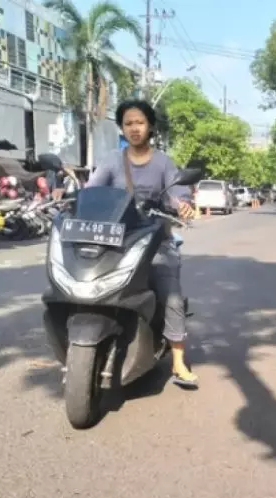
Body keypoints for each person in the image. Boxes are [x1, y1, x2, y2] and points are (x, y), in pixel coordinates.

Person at [85, 99, 198, 388]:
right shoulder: (112, 160)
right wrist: (75, 200)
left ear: (149, 127)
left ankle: (178, 362)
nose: (134, 128)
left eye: (139, 122)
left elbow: (178, 192)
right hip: (116, 240)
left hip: (156, 240)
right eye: (128, 123)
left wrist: (182, 204)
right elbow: (92, 191)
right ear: (122, 128)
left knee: (170, 294)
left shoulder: (162, 162)